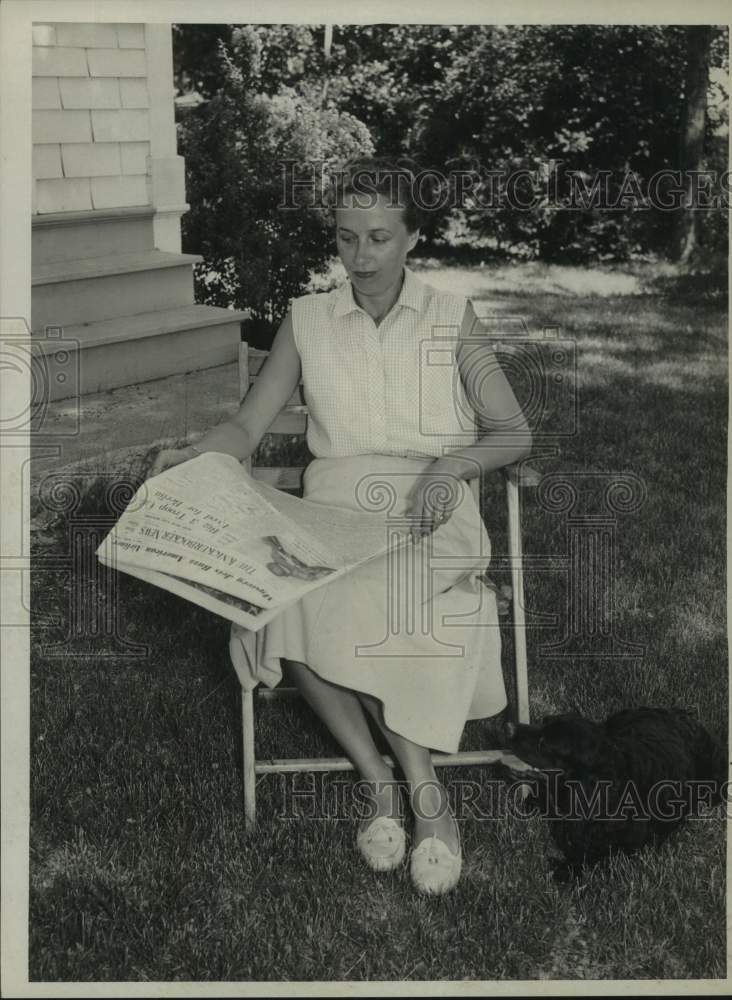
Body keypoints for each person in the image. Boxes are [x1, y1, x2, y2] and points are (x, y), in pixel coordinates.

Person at [151, 156, 532, 895]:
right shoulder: (308, 319)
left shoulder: (454, 319)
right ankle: (396, 786)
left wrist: (449, 469)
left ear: (413, 239)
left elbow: (512, 433)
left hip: (430, 508)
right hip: (330, 511)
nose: (360, 258)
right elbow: (247, 424)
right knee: (289, 594)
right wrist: (197, 454)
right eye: (346, 237)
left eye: (380, 238)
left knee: (369, 594)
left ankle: (414, 797)